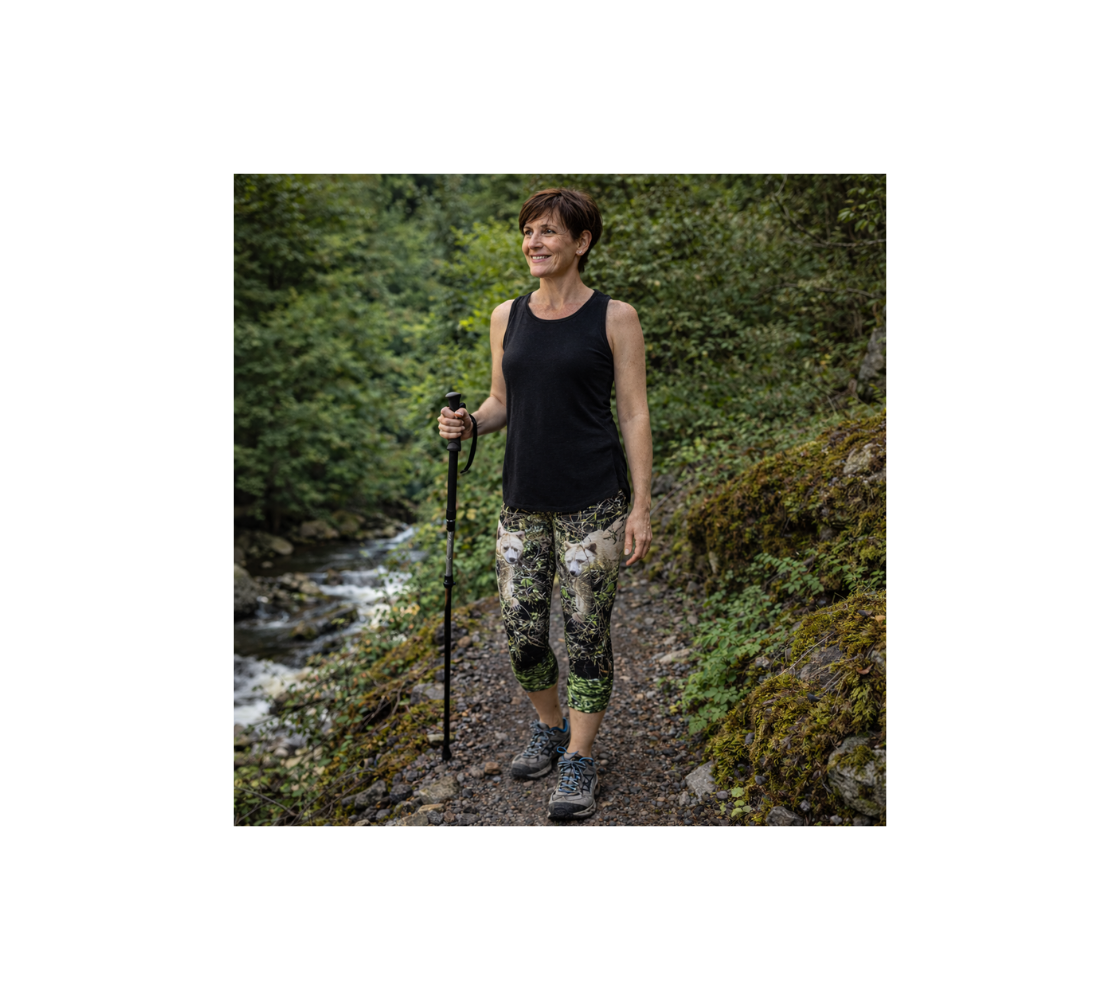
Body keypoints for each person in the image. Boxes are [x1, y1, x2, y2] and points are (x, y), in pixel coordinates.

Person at [437, 187, 653, 820]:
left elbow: (634, 413)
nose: (534, 242)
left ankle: (581, 758)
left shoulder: (615, 317)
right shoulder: (508, 315)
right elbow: (501, 400)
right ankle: (551, 727)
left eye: (549, 232)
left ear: (581, 242)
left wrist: (641, 504)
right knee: (523, 631)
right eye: (528, 231)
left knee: (587, 634)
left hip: (594, 501)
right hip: (522, 501)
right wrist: (469, 424)